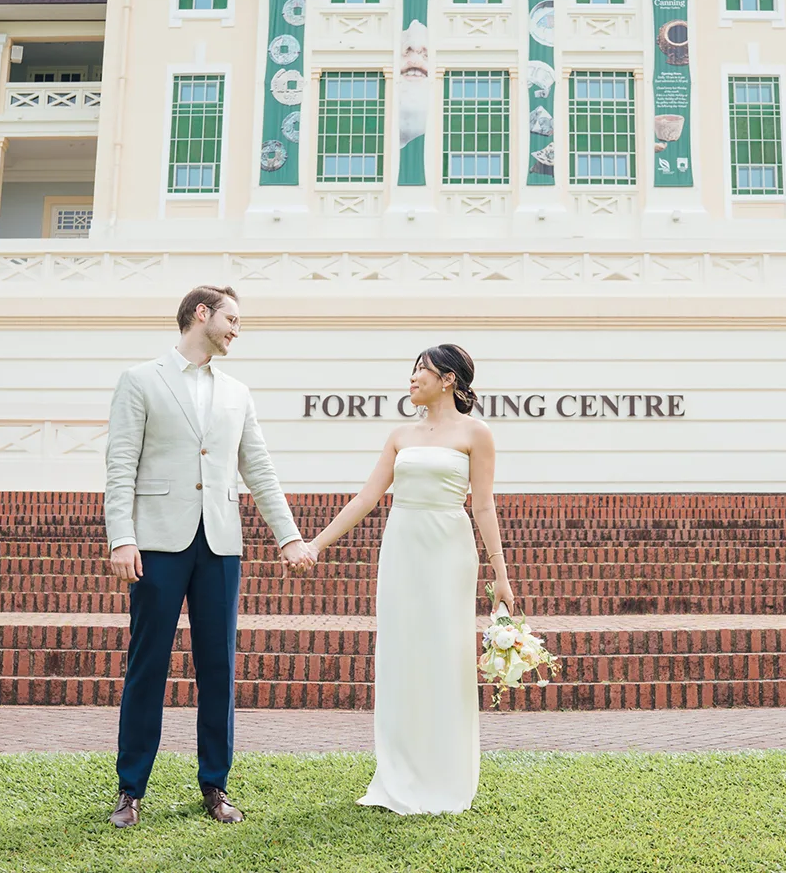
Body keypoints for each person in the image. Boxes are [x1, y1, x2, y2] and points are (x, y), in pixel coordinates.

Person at [103, 285, 316, 828]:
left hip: (220, 543)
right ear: (202, 313)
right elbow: (120, 464)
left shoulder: (237, 392)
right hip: (156, 543)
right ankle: (131, 790)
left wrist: (288, 535)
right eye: (232, 320)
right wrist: (121, 537)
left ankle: (215, 786)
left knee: (218, 667)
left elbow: (259, 469)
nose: (236, 331)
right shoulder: (140, 380)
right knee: (147, 664)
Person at [308, 344, 514, 814]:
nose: (412, 378)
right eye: (412, 370)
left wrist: (501, 576)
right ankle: (397, 772)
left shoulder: (477, 434)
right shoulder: (400, 435)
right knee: (401, 654)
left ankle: (444, 774)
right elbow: (365, 498)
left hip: (448, 550)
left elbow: (482, 505)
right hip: (402, 548)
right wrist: (317, 544)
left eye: (420, 370)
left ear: (448, 379)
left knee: (444, 656)